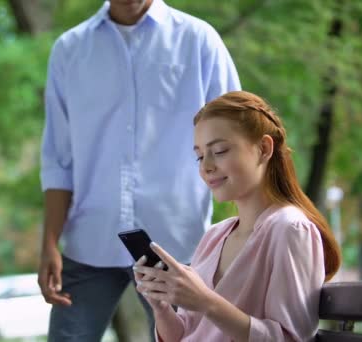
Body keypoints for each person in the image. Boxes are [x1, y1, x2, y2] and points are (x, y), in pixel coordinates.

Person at [38, 0, 241, 340]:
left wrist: (240, 235)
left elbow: (238, 139)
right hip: (88, 244)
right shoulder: (69, 50)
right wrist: (48, 244)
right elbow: (59, 160)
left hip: (177, 244)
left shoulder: (198, 40)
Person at [133, 91, 342, 341]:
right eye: (199, 156)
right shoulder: (214, 236)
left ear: (264, 149)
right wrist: (162, 308)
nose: (206, 166)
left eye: (219, 151)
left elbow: (291, 338)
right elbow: (188, 334)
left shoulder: (290, 229)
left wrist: (206, 301)